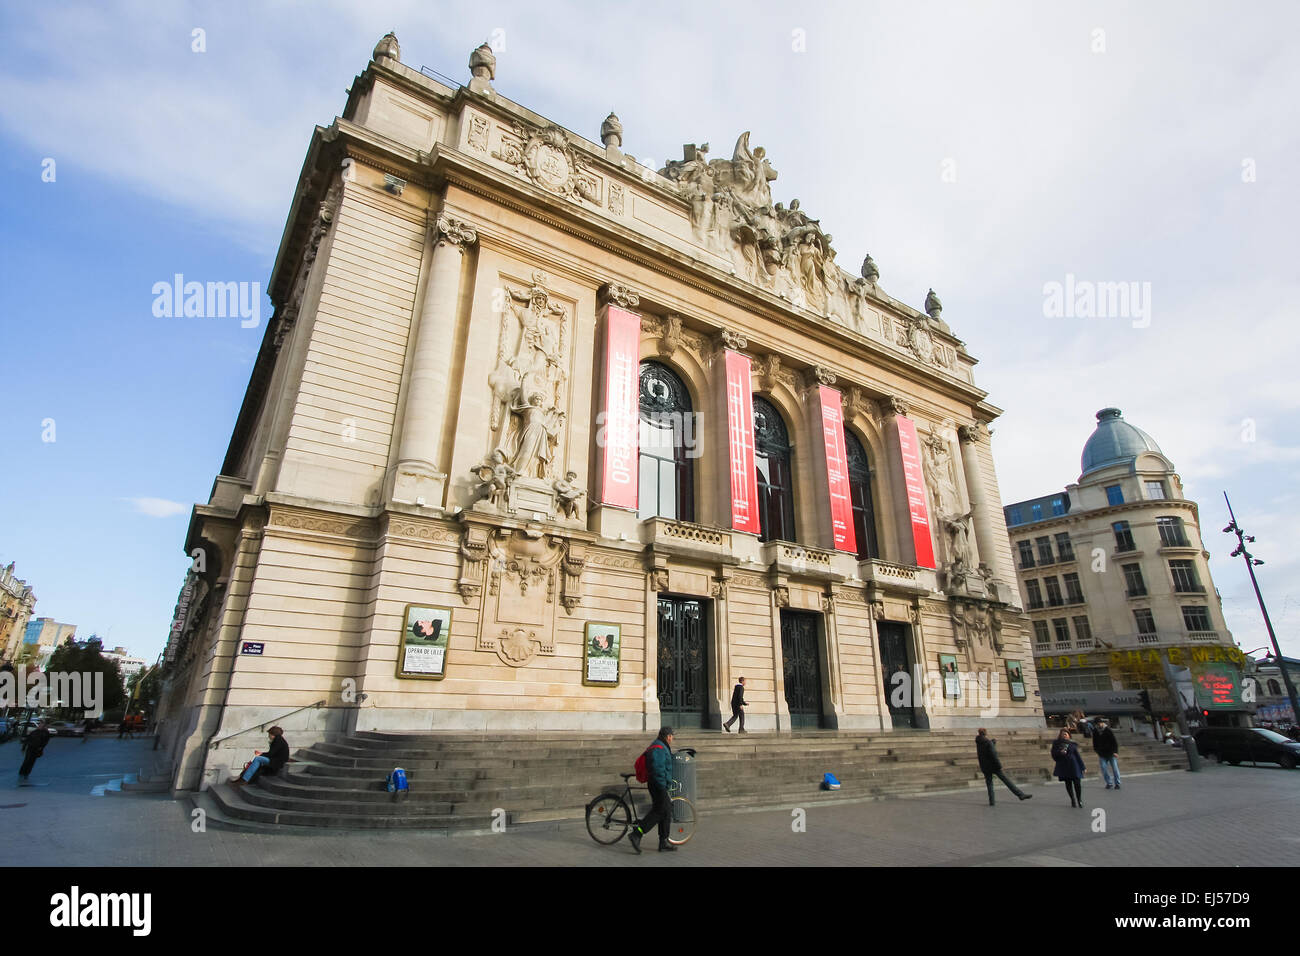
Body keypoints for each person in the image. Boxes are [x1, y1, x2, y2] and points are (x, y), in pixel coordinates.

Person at [629, 727, 676, 854]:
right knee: (660, 812)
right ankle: (637, 833)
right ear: (667, 736)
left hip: (657, 784)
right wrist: (663, 784)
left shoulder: (659, 745)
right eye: (672, 736)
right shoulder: (658, 748)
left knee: (665, 811)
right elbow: (657, 768)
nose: (672, 739)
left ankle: (663, 841)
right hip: (657, 784)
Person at [975, 728, 1032, 806]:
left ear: (979, 733)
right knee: (1006, 781)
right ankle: (1020, 794)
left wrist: (992, 743)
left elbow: (985, 751)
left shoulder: (979, 742)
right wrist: (999, 765)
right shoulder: (988, 743)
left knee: (989, 784)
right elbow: (993, 755)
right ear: (985, 733)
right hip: (993, 766)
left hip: (985, 767)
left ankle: (992, 801)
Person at [1051, 728, 1086, 808]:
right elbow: (1053, 754)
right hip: (1064, 766)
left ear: (1069, 735)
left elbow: (1077, 756)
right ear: (1060, 735)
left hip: (1074, 765)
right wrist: (1060, 752)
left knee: (1077, 783)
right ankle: (1073, 799)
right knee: (1068, 784)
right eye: (1062, 734)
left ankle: (1079, 799)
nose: (1064, 736)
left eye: (1065, 734)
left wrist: (1083, 767)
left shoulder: (1072, 744)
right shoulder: (1056, 743)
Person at [1092, 718, 1121, 790]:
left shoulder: (1108, 730)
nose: (1099, 725)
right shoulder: (1095, 731)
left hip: (1111, 753)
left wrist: (1115, 752)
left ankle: (1117, 783)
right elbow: (1094, 742)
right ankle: (1109, 783)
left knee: (1115, 769)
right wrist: (1096, 750)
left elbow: (1114, 742)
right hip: (1102, 753)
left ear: (1102, 723)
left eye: (1099, 723)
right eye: (1097, 724)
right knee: (1104, 768)